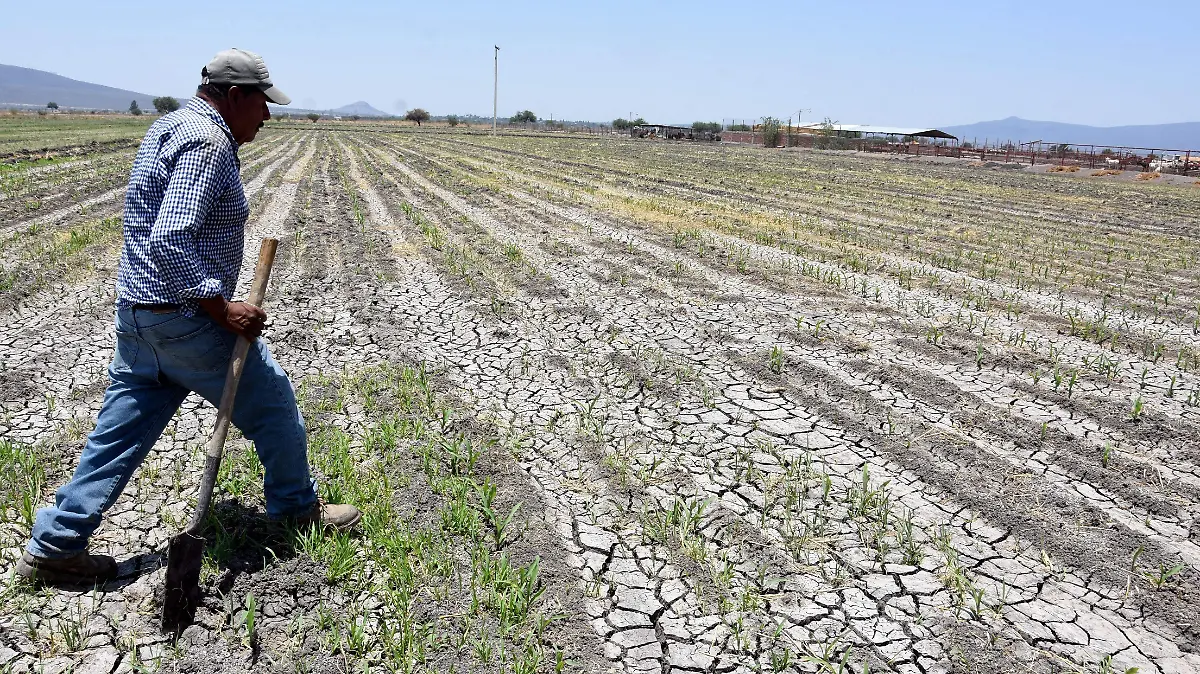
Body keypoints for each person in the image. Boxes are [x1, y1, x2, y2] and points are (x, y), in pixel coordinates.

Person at [17, 49, 359, 585]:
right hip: (186, 322)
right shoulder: (207, 141)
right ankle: (295, 508)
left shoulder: (170, 125)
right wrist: (220, 307)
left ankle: (56, 545)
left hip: (139, 319)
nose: (267, 116)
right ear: (235, 96)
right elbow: (171, 236)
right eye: (263, 103)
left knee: (117, 436)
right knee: (272, 402)